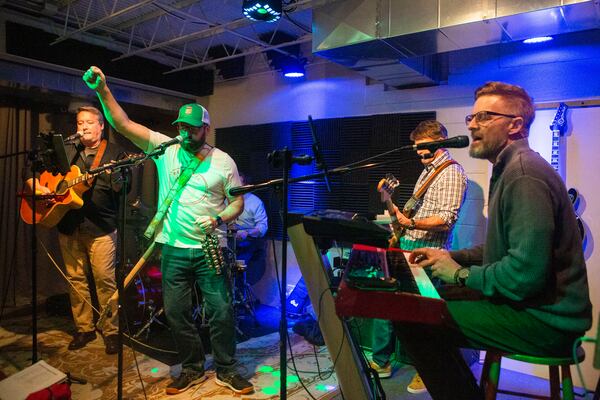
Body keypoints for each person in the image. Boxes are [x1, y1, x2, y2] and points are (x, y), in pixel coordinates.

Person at [396, 82, 592, 399]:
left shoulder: (524, 174)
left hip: (548, 322)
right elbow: (503, 249)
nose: (471, 124)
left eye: (484, 116)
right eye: (471, 117)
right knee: (434, 298)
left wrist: (460, 273)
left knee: (416, 318)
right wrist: (452, 257)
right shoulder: (509, 169)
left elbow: (523, 275)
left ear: (515, 125)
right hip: (536, 310)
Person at [82, 66, 254, 396]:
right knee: (176, 314)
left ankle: (226, 369)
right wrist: (103, 90)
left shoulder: (224, 162)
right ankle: (191, 368)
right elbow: (123, 124)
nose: (186, 133)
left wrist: (218, 220)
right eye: (182, 127)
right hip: (174, 248)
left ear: (206, 128)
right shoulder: (166, 148)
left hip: (209, 250)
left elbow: (238, 205)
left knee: (220, 312)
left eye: (192, 128)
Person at [369, 120, 467, 394]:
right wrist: (387, 200)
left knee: (423, 318)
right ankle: (381, 362)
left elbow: (445, 220)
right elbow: (406, 219)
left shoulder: (451, 173)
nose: (418, 153)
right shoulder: (427, 172)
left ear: (439, 142)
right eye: (416, 148)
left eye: (422, 147)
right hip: (405, 250)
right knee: (383, 305)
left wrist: (410, 224)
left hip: (426, 256)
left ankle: (427, 371)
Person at [25, 106, 123, 355]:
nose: (84, 127)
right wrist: (38, 187)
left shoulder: (113, 152)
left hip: (101, 227)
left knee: (105, 281)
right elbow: (32, 173)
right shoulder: (66, 150)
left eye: (90, 122)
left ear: (101, 126)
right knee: (75, 280)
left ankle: (111, 331)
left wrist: (116, 177)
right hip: (68, 226)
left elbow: (123, 190)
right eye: (80, 123)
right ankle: (84, 328)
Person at [232, 173, 268, 287]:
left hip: (248, 241)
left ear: (245, 185)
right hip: (230, 240)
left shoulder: (255, 202)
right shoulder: (227, 199)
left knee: (238, 263)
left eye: (239, 183)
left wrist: (247, 232)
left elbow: (262, 227)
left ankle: (239, 296)